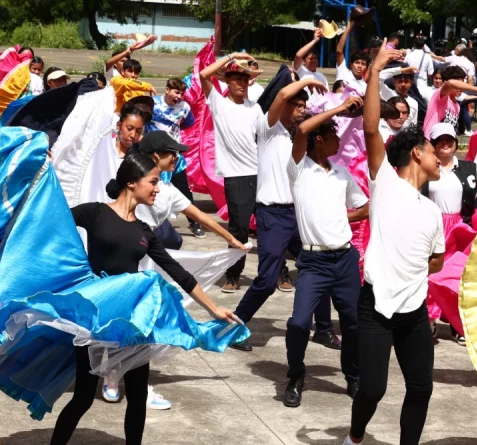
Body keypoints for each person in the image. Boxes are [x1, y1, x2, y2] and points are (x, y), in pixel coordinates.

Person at [51, 153, 241, 445]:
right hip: (95, 317)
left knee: (137, 396)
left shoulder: (144, 232)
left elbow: (178, 273)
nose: (157, 189)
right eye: (153, 182)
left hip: (133, 322)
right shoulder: (95, 213)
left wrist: (214, 309)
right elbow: (51, 220)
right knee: (84, 397)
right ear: (131, 182)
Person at [345, 41, 444, 445]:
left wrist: (415, 275)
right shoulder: (384, 181)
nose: (441, 159)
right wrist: (375, 71)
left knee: (421, 388)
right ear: (417, 152)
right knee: (372, 389)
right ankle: (354, 437)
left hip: (414, 312)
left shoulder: (433, 211)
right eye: (435, 152)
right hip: (377, 309)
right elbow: (371, 127)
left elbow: (435, 260)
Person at [231, 78, 342, 353]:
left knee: (320, 265)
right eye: (297, 105)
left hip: (299, 215)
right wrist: (305, 79)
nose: (301, 110)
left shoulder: (299, 138)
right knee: (268, 280)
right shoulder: (269, 130)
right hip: (272, 214)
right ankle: (235, 327)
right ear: (281, 108)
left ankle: (324, 329)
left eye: (304, 106)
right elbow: (281, 93)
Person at [283, 90, 369, 408]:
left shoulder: (343, 174)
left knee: (353, 323)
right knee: (298, 323)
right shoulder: (299, 169)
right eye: (333, 134)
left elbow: (363, 207)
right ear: (320, 140)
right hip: (314, 261)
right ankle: (295, 375)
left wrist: (340, 217)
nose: (338, 140)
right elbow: (303, 129)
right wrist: (341, 108)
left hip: (344, 258)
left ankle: (353, 376)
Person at [422, 122, 477, 343]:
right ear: (432, 144)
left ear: (455, 142)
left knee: (459, 276)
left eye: (449, 140)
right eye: (440, 140)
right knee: (429, 273)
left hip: (459, 228)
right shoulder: (423, 168)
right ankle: (429, 320)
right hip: (432, 227)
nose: (445, 144)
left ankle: (457, 324)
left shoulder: (469, 169)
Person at [199, 52, 264, 292]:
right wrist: (232, 56)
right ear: (226, 81)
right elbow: (204, 74)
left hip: (261, 173)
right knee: (239, 229)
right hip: (236, 176)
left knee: (270, 226)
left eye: (244, 79)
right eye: (235, 78)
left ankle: (279, 273)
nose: (240, 83)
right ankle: (233, 275)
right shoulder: (219, 103)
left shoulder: (256, 109)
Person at [146, 77, 206, 238]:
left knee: (184, 190)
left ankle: (194, 222)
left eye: (182, 93)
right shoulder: (152, 104)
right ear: (167, 90)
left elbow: (187, 123)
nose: (179, 96)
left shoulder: (184, 107)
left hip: (174, 157)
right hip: (153, 157)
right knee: (150, 189)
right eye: (176, 92)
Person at [423, 66, 477, 137]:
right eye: (458, 85)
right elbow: (450, 83)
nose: (460, 89)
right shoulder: (439, 96)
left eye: (462, 86)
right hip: (429, 141)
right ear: (445, 83)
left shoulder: (457, 106)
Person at [335, 19, 368, 94]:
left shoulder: (365, 87)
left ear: (366, 67)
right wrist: (349, 26)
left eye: (363, 64)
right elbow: (339, 51)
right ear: (351, 64)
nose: (359, 66)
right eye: (357, 62)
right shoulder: (344, 72)